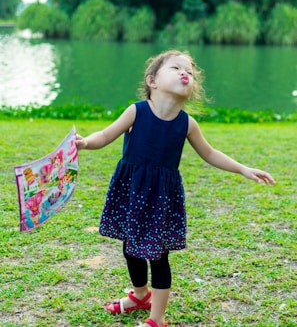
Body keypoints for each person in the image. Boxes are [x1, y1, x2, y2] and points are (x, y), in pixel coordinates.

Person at [75, 49, 275, 327]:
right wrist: (85, 143)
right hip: (132, 188)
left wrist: (243, 168)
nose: (185, 73)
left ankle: (156, 318)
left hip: (162, 197)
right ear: (152, 80)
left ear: (191, 88)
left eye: (190, 72)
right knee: (130, 248)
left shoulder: (187, 124)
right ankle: (140, 295)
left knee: (158, 256)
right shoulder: (137, 111)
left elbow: (210, 153)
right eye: (176, 68)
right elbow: (106, 135)